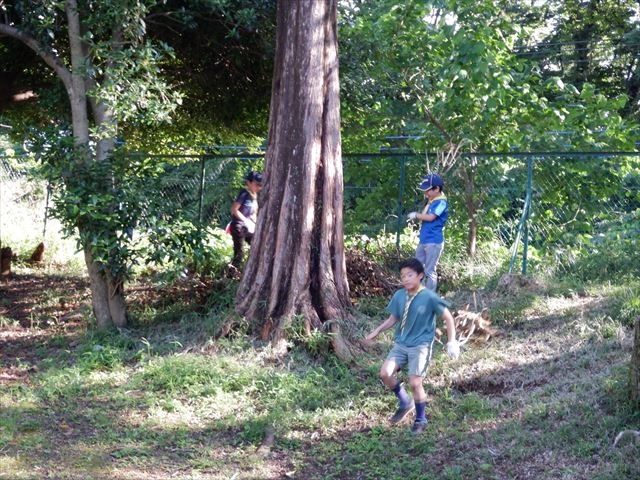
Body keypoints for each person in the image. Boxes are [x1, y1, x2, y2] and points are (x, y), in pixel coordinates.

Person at [364, 258, 459, 434]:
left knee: (415, 383)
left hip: (421, 346)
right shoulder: (399, 295)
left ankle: (421, 418)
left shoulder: (429, 297)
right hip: (401, 344)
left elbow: (448, 317)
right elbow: (393, 319)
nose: (406, 279)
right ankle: (405, 401)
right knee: (385, 373)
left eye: (410, 275)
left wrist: (451, 341)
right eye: (403, 276)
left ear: (420, 276)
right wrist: (377, 331)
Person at [407, 173, 448, 291]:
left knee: (430, 271)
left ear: (437, 189)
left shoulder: (441, 202)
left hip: (434, 241)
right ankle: (418, 292)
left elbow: (430, 217)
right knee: (418, 267)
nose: (425, 193)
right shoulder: (432, 201)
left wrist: (416, 215)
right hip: (424, 240)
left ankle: (429, 297)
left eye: (428, 190)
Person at [229, 170, 263, 269]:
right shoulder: (244, 193)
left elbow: (252, 214)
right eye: (257, 184)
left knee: (256, 246)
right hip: (239, 226)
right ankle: (230, 277)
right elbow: (234, 210)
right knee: (239, 253)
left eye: (260, 185)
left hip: (248, 227)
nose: (259, 187)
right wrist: (246, 221)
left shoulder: (254, 196)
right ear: (249, 182)